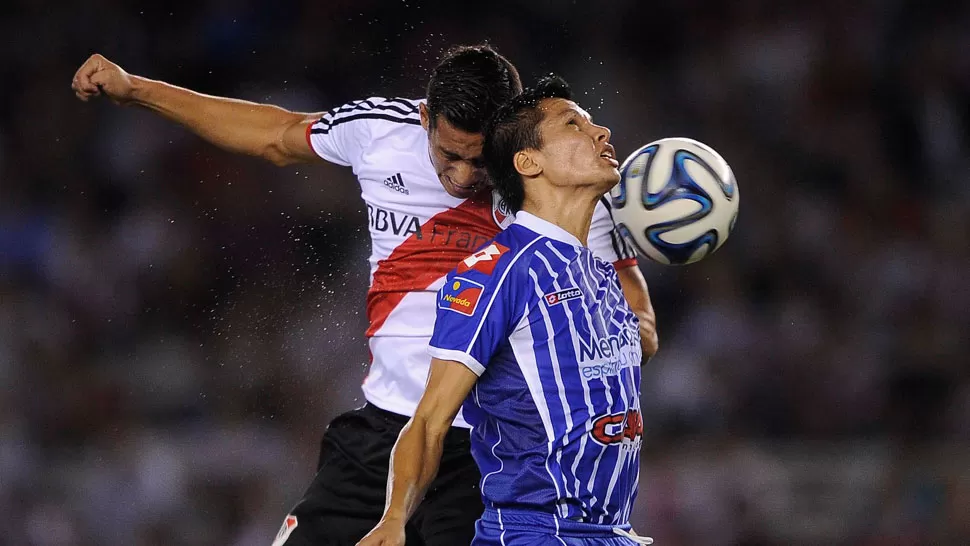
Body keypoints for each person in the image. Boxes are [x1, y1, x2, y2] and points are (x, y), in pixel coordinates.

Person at [71, 46, 658, 545]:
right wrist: (137, 89)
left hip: (491, 456)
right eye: (446, 154)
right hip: (385, 433)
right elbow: (274, 134)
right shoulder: (379, 132)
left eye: (478, 161)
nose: (459, 175)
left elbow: (640, 329)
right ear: (426, 119)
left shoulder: (565, 193)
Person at [358, 75, 653, 546]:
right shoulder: (494, 273)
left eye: (594, 124)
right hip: (533, 533)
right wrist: (394, 518)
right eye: (575, 125)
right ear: (528, 161)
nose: (602, 134)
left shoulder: (601, 277)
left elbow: (633, 358)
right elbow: (430, 421)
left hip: (611, 533)